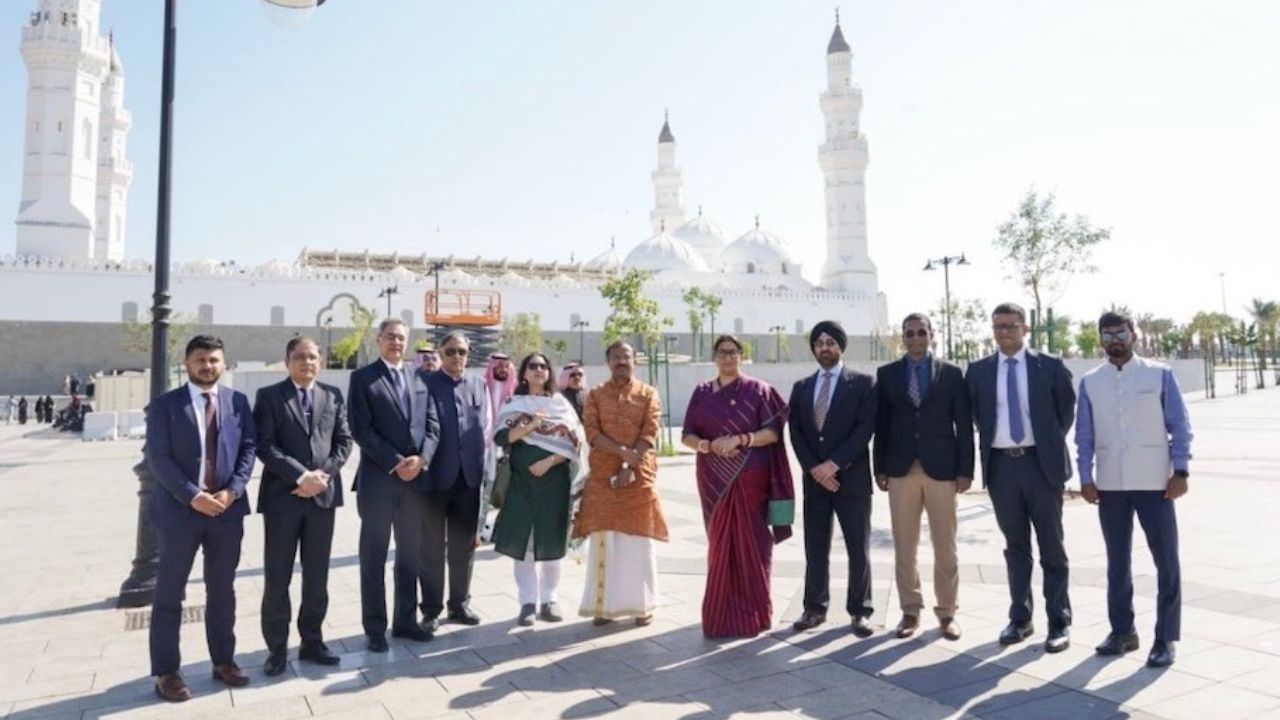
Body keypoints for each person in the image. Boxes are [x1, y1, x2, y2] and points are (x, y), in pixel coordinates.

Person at [1076, 311, 1192, 668]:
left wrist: (1181, 471)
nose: (1115, 340)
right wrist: (1085, 477)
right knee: (1117, 562)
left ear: (1134, 335)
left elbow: (1180, 425)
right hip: (1111, 485)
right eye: (1107, 334)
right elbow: (1084, 435)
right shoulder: (1091, 381)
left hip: (1156, 484)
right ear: (1101, 340)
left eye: (1121, 333)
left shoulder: (1159, 374)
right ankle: (1122, 631)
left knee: (1166, 561)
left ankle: (1165, 638)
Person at [146, 335, 256, 702]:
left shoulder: (238, 402)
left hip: (226, 512)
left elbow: (248, 450)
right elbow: (158, 458)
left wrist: (232, 491)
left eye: (213, 360)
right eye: (200, 360)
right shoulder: (165, 406)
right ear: (187, 362)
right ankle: (166, 672)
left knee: (222, 590)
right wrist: (193, 496)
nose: (207, 366)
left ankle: (223, 660)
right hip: (179, 513)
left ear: (224, 363)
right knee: (168, 593)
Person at [965, 302, 1077, 653]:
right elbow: (977, 417)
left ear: (1025, 329)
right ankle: (1020, 618)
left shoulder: (1050, 367)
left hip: (1041, 466)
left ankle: (1059, 622)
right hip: (1002, 468)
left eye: (1011, 326)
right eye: (998, 326)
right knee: (1016, 548)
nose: (1003, 332)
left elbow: (1065, 412)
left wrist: (1044, 443)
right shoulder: (979, 371)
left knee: (1052, 547)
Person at [681, 334, 794, 638]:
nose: (728, 358)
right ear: (714, 357)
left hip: (750, 478)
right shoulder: (702, 392)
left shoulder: (759, 390)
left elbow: (773, 432)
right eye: (722, 352)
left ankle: (754, 615)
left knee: (754, 546)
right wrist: (709, 445)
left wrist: (742, 439)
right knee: (720, 546)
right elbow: (687, 436)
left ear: (742, 356)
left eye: (733, 352)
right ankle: (719, 617)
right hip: (714, 478)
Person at [254, 336, 354, 676]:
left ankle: (312, 640)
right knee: (277, 576)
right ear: (287, 361)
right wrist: (300, 477)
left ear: (320, 362)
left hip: (322, 499)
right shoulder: (269, 398)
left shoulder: (333, 396)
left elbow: (344, 441)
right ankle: (277, 649)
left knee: (317, 576)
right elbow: (265, 446)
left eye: (312, 357)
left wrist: (321, 477)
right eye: (300, 357)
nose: (307, 363)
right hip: (284, 500)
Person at [874, 314, 973, 641]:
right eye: (909, 333)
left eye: (921, 332)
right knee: (905, 545)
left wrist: (965, 470)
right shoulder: (887, 375)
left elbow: (963, 425)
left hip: (942, 470)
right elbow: (881, 425)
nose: (915, 338)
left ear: (932, 335)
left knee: (946, 545)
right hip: (901, 469)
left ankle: (947, 612)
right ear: (902, 337)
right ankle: (910, 610)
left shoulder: (952, 374)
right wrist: (880, 468)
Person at [348, 318, 440, 652]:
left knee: (409, 556)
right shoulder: (362, 379)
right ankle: (375, 628)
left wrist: (422, 460)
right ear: (378, 340)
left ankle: (405, 622)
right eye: (390, 337)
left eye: (401, 338)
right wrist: (395, 462)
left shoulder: (420, 378)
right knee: (373, 556)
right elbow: (361, 428)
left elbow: (433, 426)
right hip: (378, 482)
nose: (396, 343)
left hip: (415, 484)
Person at [788, 320, 879, 637]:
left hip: (851, 480)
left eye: (830, 342)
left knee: (858, 548)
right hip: (815, 483)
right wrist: (816, 469)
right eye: (819, 343)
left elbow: (864, 429)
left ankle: (860, 610)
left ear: (841, 346)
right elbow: (796, 432)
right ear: (813, 348)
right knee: (815, 547)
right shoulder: (801, 388)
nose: (824, 347)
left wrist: (834, 464)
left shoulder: (863, 384)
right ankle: (814, 608)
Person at [573, 341, 668, 626]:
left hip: (639, 479)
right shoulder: (595, 395)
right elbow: (591, 431)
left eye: (626, 357)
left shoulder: (648, 393)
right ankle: (603, 607)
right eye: (616, 357)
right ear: (607, 362)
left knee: (638, 543)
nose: (621, 361)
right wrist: (620, 453)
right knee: (606, 541)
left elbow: (650, 431)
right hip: (604, 480)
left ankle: (642, 606)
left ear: (635, 361)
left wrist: (630, 463)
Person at [492, 352, 587, 625]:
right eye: (532, 366)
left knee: (552, 541)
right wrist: (531, 424)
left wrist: (550, 461)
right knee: (525, 544)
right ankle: (527, 603)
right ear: (523, 373)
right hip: (521, 484)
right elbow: (501, 437)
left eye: (543, 366)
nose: (538, 370)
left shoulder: (561, 405)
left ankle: (550, 599)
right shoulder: (514, 403)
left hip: (554, 483)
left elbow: (575, 443)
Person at [422, 331, 492, 630]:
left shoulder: (479, 385)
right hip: (436, 480)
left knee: (464, 546)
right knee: (432, 547)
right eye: (450, 351)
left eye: (462, 352)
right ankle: (431, 609)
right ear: (440, 352)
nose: (456, 357)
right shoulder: (425, 384)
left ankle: (459, 604)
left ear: (469, 354)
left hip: (469, 479)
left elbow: (486, 430)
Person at [484, 352, 517, 421]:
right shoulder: (482, 386)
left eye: (507, 366)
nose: (504, 370)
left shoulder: (516, 389)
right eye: (500, 366)